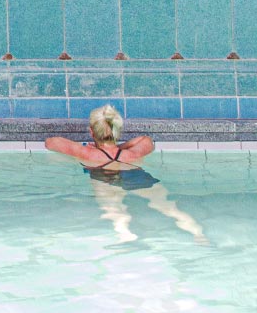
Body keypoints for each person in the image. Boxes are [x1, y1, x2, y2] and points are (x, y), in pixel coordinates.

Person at [46, 105, 207, 244]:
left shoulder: (88, 154)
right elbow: (146, 140)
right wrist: (120, 148)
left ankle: (124, 232)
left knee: (113, 209)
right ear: (118, 131)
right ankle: (196, 231)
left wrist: (89, 149)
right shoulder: (132, 154)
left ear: (91, 131)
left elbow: (51, 142)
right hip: (135, 175)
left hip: (105, 176)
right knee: (168, 207)